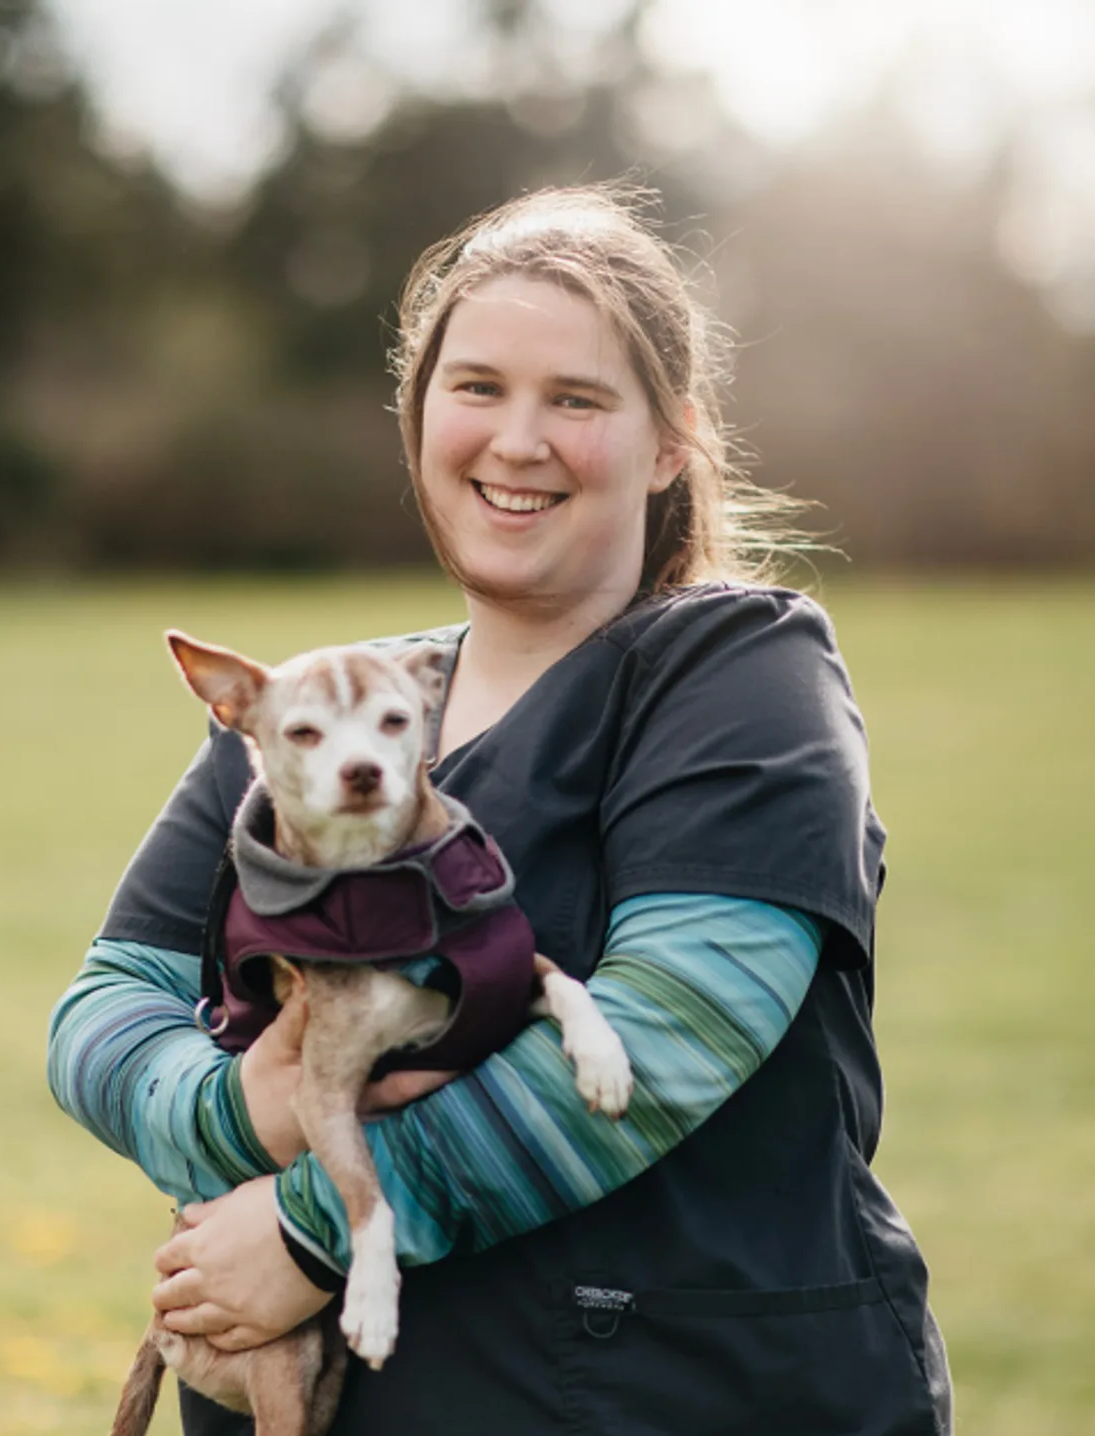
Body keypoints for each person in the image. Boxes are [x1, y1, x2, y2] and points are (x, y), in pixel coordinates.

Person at [48, 185, 953, 1435]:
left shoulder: (738, 670)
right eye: (475, 387)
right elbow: (101, 1011)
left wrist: (313, 1228)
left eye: (575, 399)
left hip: (676, 1397)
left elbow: (672, 1035)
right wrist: (236, 1110)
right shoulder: (320, 706)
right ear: (418, 417)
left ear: (673, 441)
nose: (516, 440)